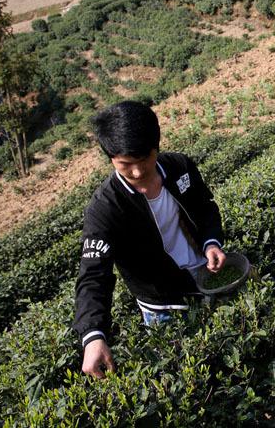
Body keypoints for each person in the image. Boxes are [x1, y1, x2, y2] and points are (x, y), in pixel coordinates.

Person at [73, 100, 227, 379]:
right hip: (164, 307)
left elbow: (205, 207)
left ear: (156, 146)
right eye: (125, 164)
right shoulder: (105, 209)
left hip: (207, 279)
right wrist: (93, 335)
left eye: (144, 159)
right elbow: (94, 275)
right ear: (111, 158)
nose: (136, 172)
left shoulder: (179, 167)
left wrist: (211, 242)